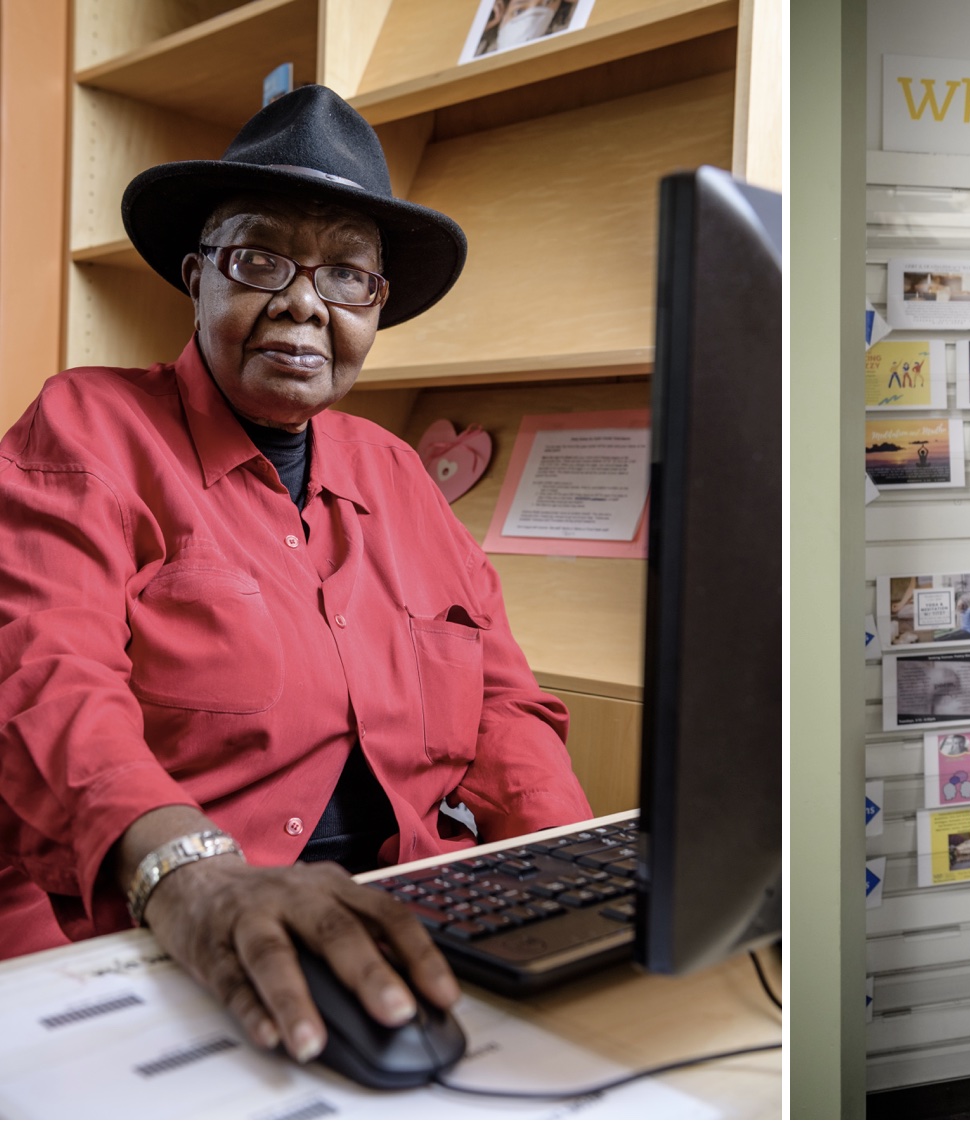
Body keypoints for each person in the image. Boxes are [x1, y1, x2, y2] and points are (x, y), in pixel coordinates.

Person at [0, 87, 591, 1067]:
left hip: (406, 928)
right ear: (198, 278)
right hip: (145, 933)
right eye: (259, 259)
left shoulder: (398, 472)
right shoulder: (87, 429)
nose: (304, 301)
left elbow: (502, 707)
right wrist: (196, 879)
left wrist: (571, 876)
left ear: (375, 308)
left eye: (348, 274)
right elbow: (50, 683)